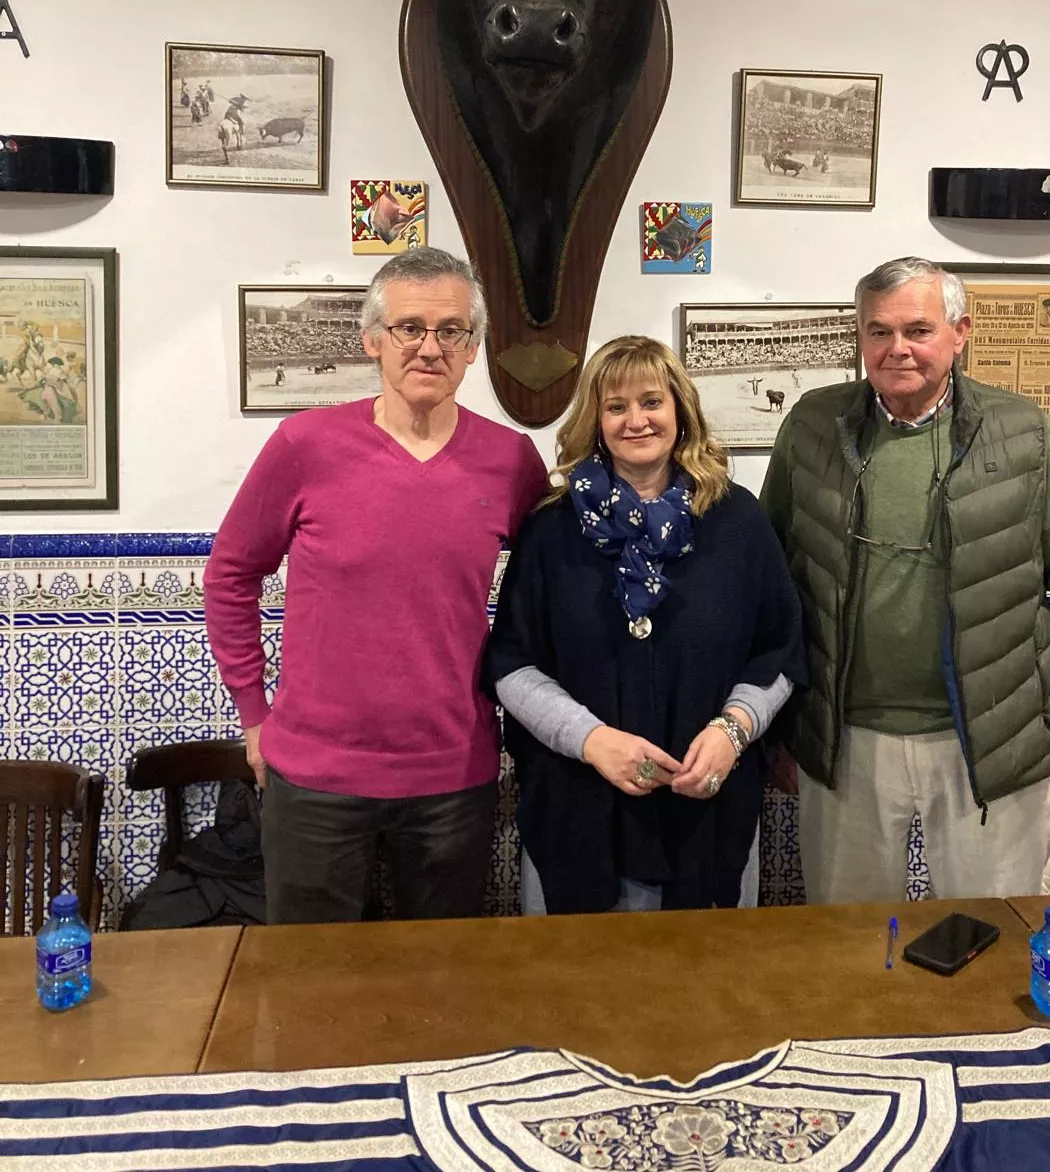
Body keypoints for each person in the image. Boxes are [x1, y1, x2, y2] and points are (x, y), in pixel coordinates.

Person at [204, 247, 547, 924]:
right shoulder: (305, 445)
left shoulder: (511, 461)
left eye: (451, 331)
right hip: (314, 780)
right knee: (311, 986)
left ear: (473, 347)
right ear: (372, 341)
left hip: (454, 778)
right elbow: (230, 575)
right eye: (409, 328)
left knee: (440, 988)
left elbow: (551, 596)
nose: (430, 347)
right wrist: (252, 712)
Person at [761, 256, 1050, 903]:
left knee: (989, 939)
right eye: (878, 331)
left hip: (987, 742)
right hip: (845, 743)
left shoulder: (1023, 433)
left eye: (918, 330)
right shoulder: (811, 426)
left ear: (960, 332)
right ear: (860, 337)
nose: (897, 349)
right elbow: (769, 581)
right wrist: (783, 723)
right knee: (850, 950)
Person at [487, 335, 806, 914]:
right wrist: (591, 740)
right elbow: (512, 663)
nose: (637, 420)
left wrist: (733, 731)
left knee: (706, 991)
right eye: (616, 406)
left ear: (680, 411)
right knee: (579, 992)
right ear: (595, 420)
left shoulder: (738, 520)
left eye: (652, 402)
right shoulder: (551, 530)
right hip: (578, 807)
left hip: (706, 807)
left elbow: (779, 651)